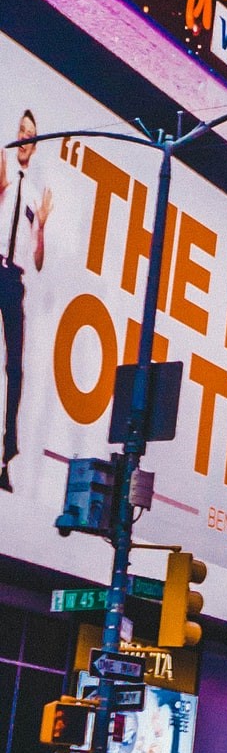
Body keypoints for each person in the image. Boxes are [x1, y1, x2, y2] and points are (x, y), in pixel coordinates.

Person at [0, 109, 51, 494]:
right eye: (21, 130)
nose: (24, 138)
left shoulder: (33, 192)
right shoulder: (4, 172)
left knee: (15, 368)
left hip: (13, 279)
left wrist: (43, 226)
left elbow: (36, 259)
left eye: (30, 135)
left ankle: (6, 453)